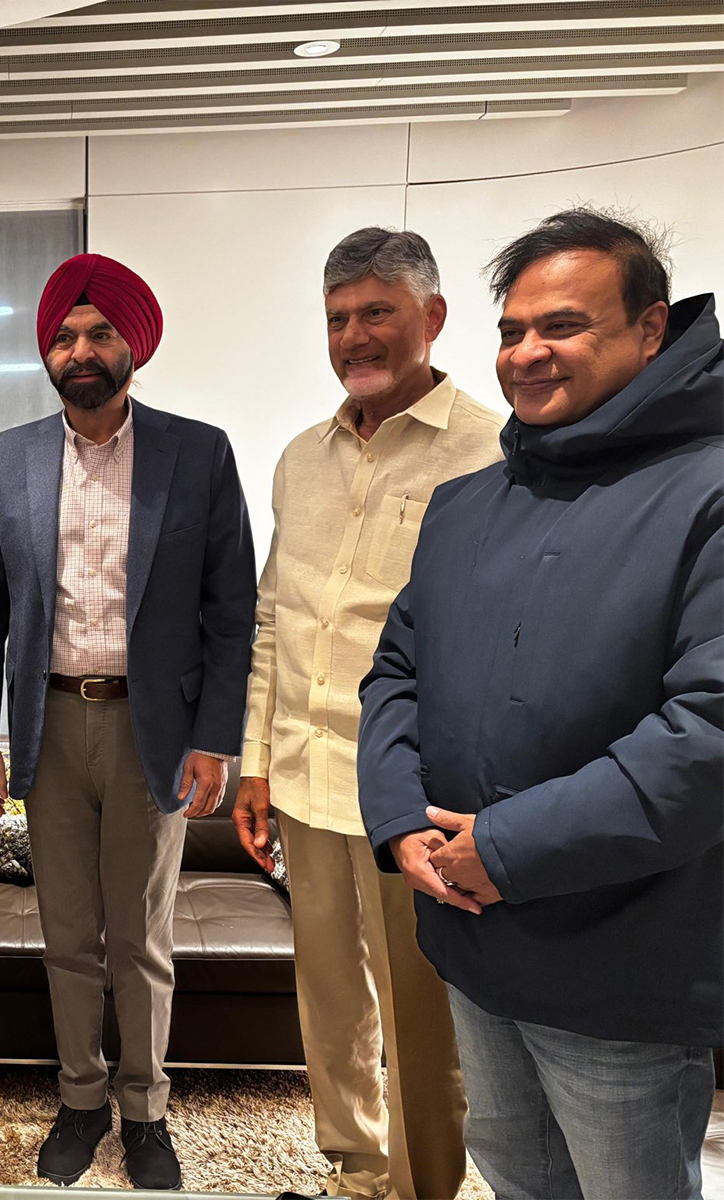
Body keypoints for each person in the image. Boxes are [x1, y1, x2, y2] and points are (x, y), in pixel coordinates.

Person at [359, 208, 722, 1199]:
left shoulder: (707, 492)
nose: (526, 353)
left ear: (650, 330)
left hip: (620, 960)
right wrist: (398, 823)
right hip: (474, 938)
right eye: (512, 330)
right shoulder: (466, 503)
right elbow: (394, 670)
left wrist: (502, 849)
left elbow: (706, 738)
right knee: (516, 1172)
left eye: (559, 326)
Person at [0, 253, 256, 1191]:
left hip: (151, 733)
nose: (79, 351)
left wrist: (219, 736)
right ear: (47, 351)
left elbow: (230, 610)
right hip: (46, 721)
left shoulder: (197, 452)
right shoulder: (9, 456)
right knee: (67, 933)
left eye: (98, 334)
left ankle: (146, 1110)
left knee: (142, 936)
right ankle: (80, 1099)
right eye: (63, 336)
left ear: (134, 345)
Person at [233, 228, 500, 1199]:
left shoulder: (491, 453)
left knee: (424, 1021)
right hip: (303, 784)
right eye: (338, 317)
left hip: (414, 797)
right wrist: (256, 762)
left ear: (430, 316)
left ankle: (427, 1187)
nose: (355, 334)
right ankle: (353, 1175)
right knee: (330, 1001)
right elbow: (272, 618)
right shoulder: (299, 459)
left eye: (376, 311)